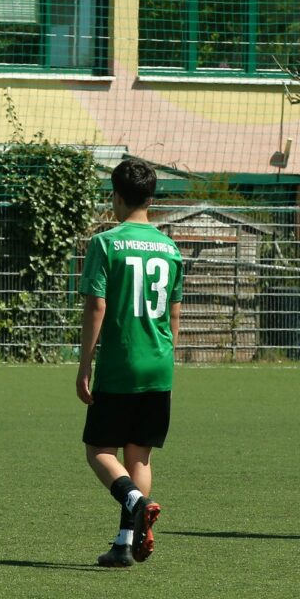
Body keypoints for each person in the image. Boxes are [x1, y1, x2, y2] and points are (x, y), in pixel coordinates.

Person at [75, 158, 183, 567]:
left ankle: (136, 502)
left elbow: (96, 306)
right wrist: (167, 363)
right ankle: (123, 543)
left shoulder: (106, 243)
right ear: (151, 198)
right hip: (159, 364)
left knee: (99, 451)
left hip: (121, 364)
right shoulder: (170, 248)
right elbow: (174, 315)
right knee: (139, 456)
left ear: (116, 197)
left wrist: (85, 364)